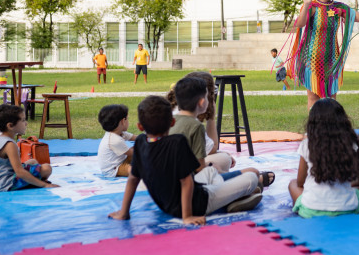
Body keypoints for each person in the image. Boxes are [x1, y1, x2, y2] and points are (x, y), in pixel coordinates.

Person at [109, 96, 267, 225]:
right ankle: (234, 199)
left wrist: (124, 212)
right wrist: (187, 216)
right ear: (172, 122)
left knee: (211, 171)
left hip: (167, 206)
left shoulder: (141, 142)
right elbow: (186, 182)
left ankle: (234, 197)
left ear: (140, 126)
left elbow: (132, 179)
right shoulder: (177, 142)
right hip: (198, 204)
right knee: (251, 178)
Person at [288, 0, 359, 109]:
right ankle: (314, 130)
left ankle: (331, 129)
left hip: (332, 60)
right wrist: (306, 4)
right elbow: (299, 24)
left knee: (331, 101)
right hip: (311, 59)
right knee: (313, 99)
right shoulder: (312, 6)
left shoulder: (339, 8)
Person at [288, 98, 359, 218]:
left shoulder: (307, 144)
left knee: (292, 184)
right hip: (348, 208)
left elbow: (300, 182)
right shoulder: (351, 144)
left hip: (310, 210)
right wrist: (344, 181)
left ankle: (299, 207)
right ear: (343, 121)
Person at [167, 72, 234, 173]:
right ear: (202, 100)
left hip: (162, 169)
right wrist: (211, 116)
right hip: (182, 173)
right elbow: (209, 151)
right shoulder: (194, 124)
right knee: (224, 159)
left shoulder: (172, 111)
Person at [0, 104, 58, 192]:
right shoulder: (10, 145)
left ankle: (32, 181)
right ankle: (35, 182)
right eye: (23, 120)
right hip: (6, 183)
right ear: (10, 126)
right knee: (46, 168)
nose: (26, 123)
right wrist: (44, 185)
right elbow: (19, 172)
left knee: (33, 161)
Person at [97, 104, 137, 178]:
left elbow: (136, 138)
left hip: (121, 160)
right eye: (127, 119)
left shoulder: (120, 133)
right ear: (123, 121)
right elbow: (131, 153)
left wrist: (149, 137)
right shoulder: (114, 140)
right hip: (113, 168)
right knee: (132, 169)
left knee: (137, 148)